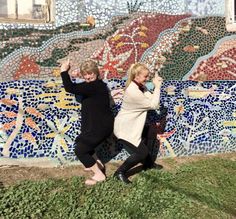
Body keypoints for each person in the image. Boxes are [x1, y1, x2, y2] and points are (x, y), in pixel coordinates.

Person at [60, 59, 114, 185]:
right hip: (96, 125)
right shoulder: (96, 85)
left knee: (80, 150)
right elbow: (81, 88)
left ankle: (99, 175)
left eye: (91, 73)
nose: (88, 76)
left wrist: (64, 71)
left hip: (101, 127)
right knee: (81, 141)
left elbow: (69, 88)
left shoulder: (94, 86)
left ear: (96, 73)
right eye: (86, 74)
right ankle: (97, 164)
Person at [113, 62, 163, 184]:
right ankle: (119, 172)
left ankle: (148, 164)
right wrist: (157, 87)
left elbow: (151, 98)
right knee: (141, 152)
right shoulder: (133, 91)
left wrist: (153, 87)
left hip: (132, 127)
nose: (147, 79)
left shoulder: (140, 87)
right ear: (137, 77)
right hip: (124, 129)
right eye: (145, 77)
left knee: (144, 140)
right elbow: (154, 105)